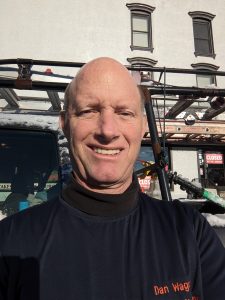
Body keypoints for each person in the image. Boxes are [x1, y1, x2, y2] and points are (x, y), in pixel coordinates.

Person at [0, 57, 224, 300]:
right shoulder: (11, 242)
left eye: (124, 112)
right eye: (88, 111)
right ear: (65, 124)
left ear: (141, 127)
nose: (107, 130)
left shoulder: (190, 232)